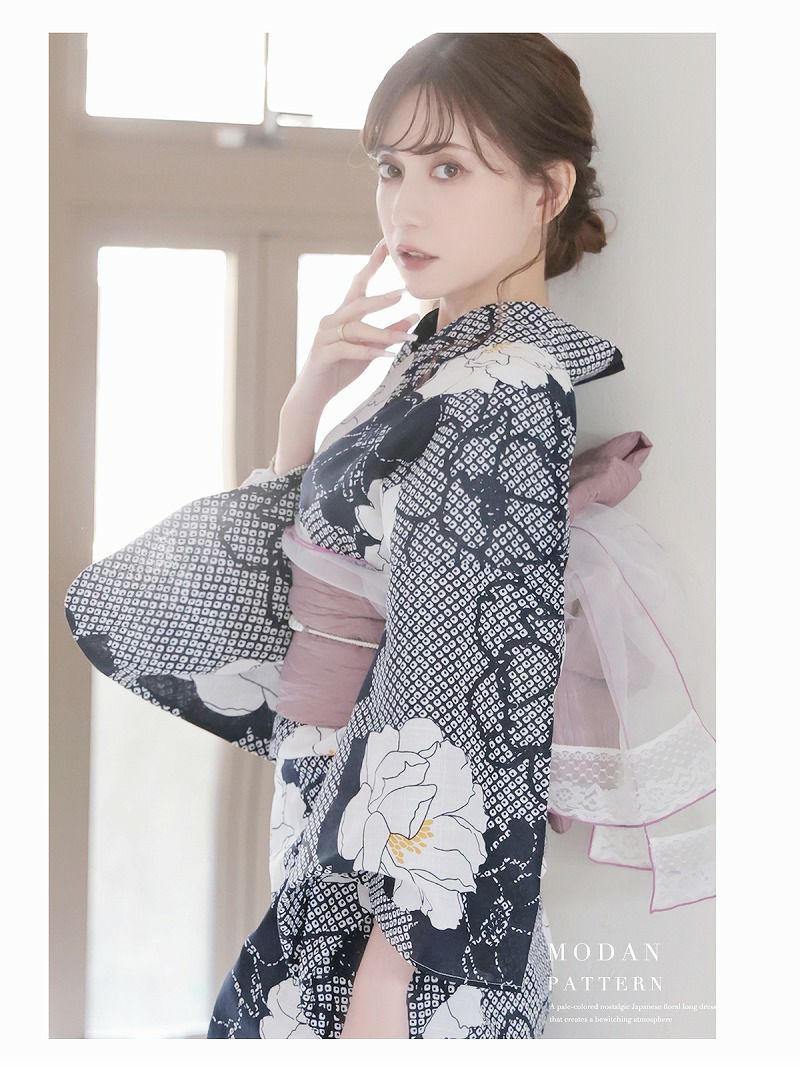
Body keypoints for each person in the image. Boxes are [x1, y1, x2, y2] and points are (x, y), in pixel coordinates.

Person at [64, 33, 714, 1039]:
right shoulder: (441, 365)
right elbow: (280, 592)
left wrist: (394, 972)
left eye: (447, 169)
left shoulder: (507, 386)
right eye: (389, 168)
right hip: (338, 830)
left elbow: (462, 694)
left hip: (393, 921)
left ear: (546, 189)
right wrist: (305, 411)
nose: (403, 208)